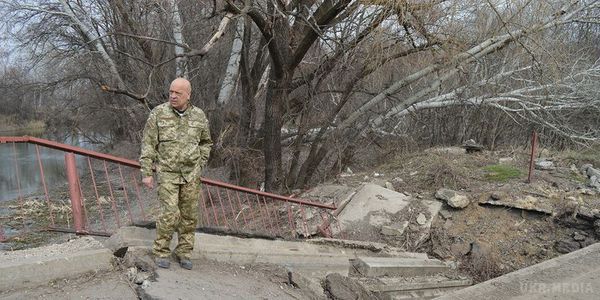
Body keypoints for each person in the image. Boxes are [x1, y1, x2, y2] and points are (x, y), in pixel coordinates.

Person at [140, 77, 212, 270]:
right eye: (171, 92)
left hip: (191, 175)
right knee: (170, 213)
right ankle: (161, 251)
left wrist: (201, 163)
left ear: (188, 95)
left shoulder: (199, 116)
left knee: (189, 216)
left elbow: (206, 143)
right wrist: (147, 172)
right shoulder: (158, 114)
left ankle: (184, 252)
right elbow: (148, 144)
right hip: (168, 174)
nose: (172, 96)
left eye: (177, 93)